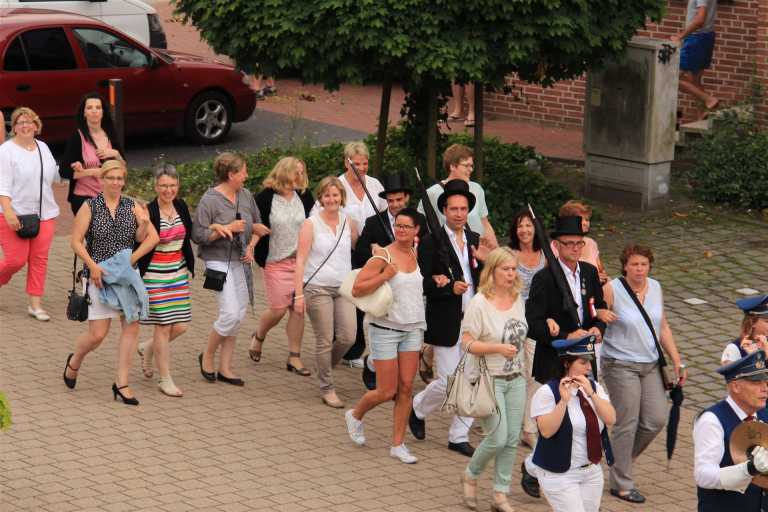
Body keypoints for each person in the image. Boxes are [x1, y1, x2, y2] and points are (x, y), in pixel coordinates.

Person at [521, 215, 607, 498]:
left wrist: (598, 327)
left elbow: (598, 308)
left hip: (583, 359)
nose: (575, 248)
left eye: (579, 243)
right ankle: (540, 468)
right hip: (554, 362)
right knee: (559, 423)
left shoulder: (589, 273)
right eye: (569, 244)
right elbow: (533, 324)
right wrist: (563, 335)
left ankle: (534, 467)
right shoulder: (544, 279)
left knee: (580, 420)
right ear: (556, 246)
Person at [63, 159, 159, 405]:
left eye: (120, 178)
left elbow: (148, 238)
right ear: (102, 179)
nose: (116, 182)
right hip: (99, 275)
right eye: (111, 178)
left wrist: (134, 253)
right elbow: (76, 241)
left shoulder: (132, 205)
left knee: (132, 326)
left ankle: (122, 383)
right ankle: (75, 360)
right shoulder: (90, 207)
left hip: (126, 277)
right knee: (97, 335)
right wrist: (93, 266)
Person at [599, 244, 687, 504]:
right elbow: (594, 319)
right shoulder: (612, 289)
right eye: (634, 264)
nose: (639, 269)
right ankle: (622, 484)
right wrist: (600, 313)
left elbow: (663, 326)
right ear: (625, 266)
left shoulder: (656, 287)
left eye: (644, 264)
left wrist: (677, 360)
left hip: (650, 363)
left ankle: (620, 462)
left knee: (655, 420)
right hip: (619, 363)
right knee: (627, 422)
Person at [409, 179, 490, 457]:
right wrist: (446, 287)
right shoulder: (431, 242)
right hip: (445, 319)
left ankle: (458, 436)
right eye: (453, 209)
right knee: (449, 381)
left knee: (472, 379)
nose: (458, 214)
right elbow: (422, 283)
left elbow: (486, 280)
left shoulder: (475, 240)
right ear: (444, 210)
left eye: (463, 209)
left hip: (474, 320)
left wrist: (487, 262)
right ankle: (417, 408)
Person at [344, 208, 424, 464]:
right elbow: (357, 289)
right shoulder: (383, 256)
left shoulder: (416, 253)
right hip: (385, 329)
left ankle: (398, 444)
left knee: (406, 387)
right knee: (386, 390)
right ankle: (355, 415)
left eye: (406, 226)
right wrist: (384, 276)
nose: (401, 230)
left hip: (413, 328)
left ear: (416, 230)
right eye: (398, 225)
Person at [459, 247, 527, 512]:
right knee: (498, 438)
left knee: (511, 439)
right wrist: (496, 348)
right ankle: (471, 474)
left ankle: (500, 494)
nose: (511, 274)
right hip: (489, 379)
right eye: (505, 269)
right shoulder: (479, 303)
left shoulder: (518, 298)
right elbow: (466, 343)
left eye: (514, 269)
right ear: (492, 271)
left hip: (516, 377)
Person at [315, 141, 386, 369]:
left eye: (365, 163)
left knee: (368, 299)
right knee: (350, 298)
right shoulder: (338, 185)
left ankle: (360, 348)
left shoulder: (374, 184)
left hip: (370, 250)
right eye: (357, 164)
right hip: (345, 252)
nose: (362, 168)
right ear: (347, 163)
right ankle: (348, 349)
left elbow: (384, 214)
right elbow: (321, 215)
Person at [192, 152, 261, 387]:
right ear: (231, 175)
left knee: (239, 314)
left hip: (241, 260)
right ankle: (207, 355)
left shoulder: (246, 195)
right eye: (243, 172)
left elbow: (256, 225)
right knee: (230, 313)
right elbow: (198, 235)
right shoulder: (209, 200)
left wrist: (252, 246)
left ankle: (226, 367)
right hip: (217, 261)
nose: (247, 175)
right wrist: (225, 228)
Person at [353, 173, 427, 390]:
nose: (395, 204)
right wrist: (374, 251)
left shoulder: (419, 222)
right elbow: (359, 253)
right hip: (383, 294)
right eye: (391, 200)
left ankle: (395, 383)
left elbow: (428, 251)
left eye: (399, 199)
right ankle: (373, 364)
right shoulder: (373, 222)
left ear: (407, 198)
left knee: (405, 355)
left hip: (410, 290)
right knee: (386, 344)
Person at [528, 335, 616, 512]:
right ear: (567, 363)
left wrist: (592, 394)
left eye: (590, 362)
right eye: (583, 362)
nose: (589, 367)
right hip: (559, 474)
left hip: (591, 472)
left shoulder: (594, 387)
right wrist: (563, 401)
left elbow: (611, 419)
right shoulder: (547, 392)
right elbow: (546, 431)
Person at [295, 176, 358, 408]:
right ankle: (327, 388)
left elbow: (356, 248)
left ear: (342, 197)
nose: (331, 199)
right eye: (327, 195)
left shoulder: (349, 222)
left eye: (335, 195)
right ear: (320, 198)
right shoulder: (310, 224)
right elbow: (300, 260)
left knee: (348, 337)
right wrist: (298, 295)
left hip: (343, 287)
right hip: (317, 287)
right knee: (325, 339)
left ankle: (324, 366)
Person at [249, 157, 314, 375]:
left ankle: (294, 357)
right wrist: (252, 247)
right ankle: (259, 335)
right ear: (285, 172)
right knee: (278, 309)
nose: (300, 177)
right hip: (275, 261)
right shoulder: (265, 198)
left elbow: (314, 222)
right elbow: (255, 226)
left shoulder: (304, 196)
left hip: (301, 262)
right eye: (297, 172)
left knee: (298, 309)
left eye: (302, 172)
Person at [135, 164, 195, 397]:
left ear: (178, 185)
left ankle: (147, 347)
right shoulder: (149, 210)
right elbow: (139, 239)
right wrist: (143, 223)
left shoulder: (181, 206)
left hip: (178, 274)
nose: (168, 190)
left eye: (172, 185)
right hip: (155, 276)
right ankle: (165, 379)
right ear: (155, 186)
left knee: (182, 326)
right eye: (163, 185)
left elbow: (189, 236)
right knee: (163, 326)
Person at [0, 107, 62, 321]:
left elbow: (54, 175)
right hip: (13, 214)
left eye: (29, 122)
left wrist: (75, 170)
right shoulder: (6, 151)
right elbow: (3, 185)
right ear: (14, 127)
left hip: (45, 214)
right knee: (15, 261)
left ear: (36, 126)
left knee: (39, 259)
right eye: (20, 122)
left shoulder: (43, 147)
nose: (25, 125)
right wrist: (8, 211)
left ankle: (35, 305)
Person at [694, 350, 768, 511]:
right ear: (736, 386)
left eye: (765, 381)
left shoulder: (764, 412)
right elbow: (703, 475)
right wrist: (749, 469)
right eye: (756, 382)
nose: (765, 388)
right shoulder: (712, 421)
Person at [507, 208, 546, 448]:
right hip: (513, 320)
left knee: (533, 373)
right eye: (520, 225)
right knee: (512, 373)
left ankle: (528, 429)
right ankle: (503, 421)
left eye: (528, 225)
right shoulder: (509, 254)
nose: (524, 230)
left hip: (537, 322)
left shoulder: (546, 255)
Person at [418, 144, 497, 247]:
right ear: (452, 166)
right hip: (449, 252)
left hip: (479, 250)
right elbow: (419, 227)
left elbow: (485, 224)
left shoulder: (477, 189)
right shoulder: (432, 194)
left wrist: (497, 251)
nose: (471, 169)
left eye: (471, 166)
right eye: (466, 165)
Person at [58, 92, 124, 215]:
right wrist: (91, 172)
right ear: (84, 113)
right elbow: (63, 171)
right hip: (84, 198)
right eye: (89, 107)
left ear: (103, 112)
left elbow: (123, 168)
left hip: (110, 196)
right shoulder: (77, 137)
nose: (94, 111)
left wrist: (116, 154)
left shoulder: (111, 134)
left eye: (98, 107)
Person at [672, 0, 720, 117]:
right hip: (707, 36)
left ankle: (709, 99)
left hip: (696, 39)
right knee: (695, 80)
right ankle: (702, 114)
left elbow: (700, 19)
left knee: (672, 77)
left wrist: (680, 36)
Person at [552, 201, 607, 284]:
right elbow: (556, 275)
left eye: (587, 220)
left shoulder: (591, 243)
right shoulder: (558, 245)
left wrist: (603, 277)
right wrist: (592, 279)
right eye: (581, 220)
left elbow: (601, 270)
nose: (586, 223)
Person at [721, 295, 768, 364]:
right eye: (767, 321)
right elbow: (731, 371)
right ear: (752, 322)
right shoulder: (734, 349)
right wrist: (752, 359)